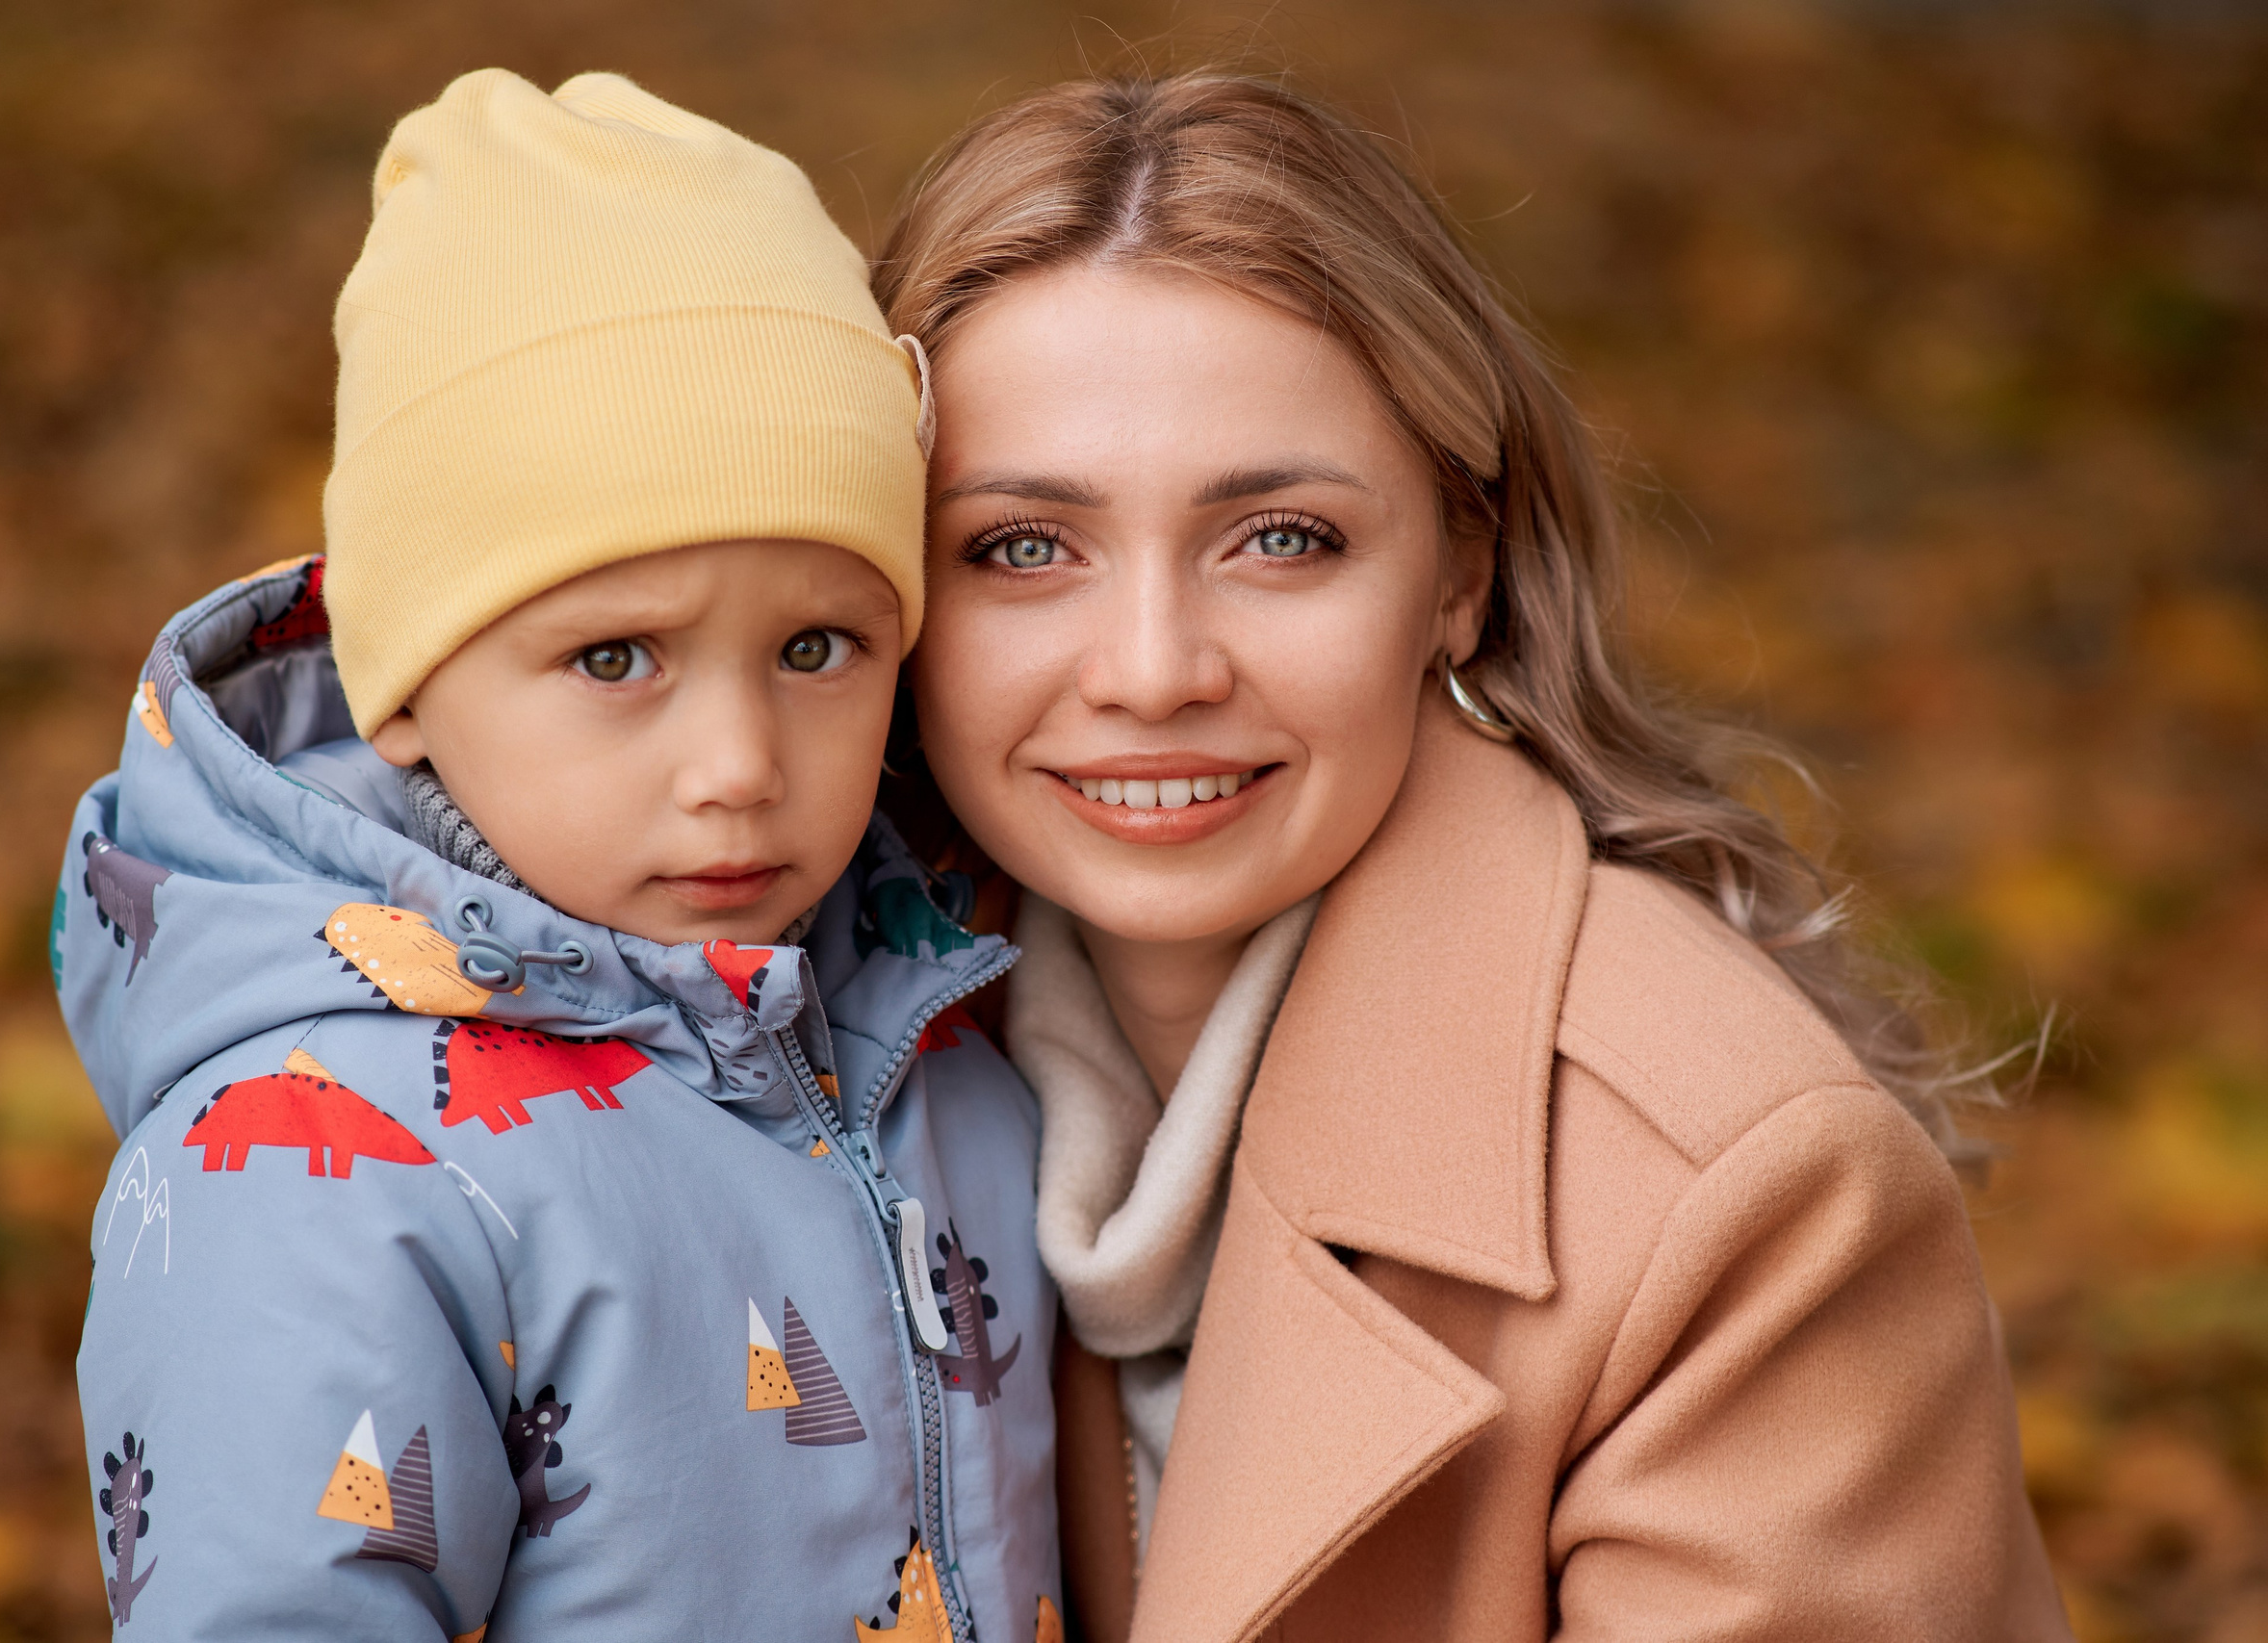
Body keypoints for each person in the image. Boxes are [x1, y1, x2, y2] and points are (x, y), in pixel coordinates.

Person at [871, 72, 2071, 1639]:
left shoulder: (1744, 1188)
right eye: (1023, 548)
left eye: (1280, 538)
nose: (1151, 670)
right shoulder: (784, 1047)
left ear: (1460, 571)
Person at [57, 70, 1059, 1643]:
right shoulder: (316, 1172)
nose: (739, 770)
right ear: (402, 687)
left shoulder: (942, 1046)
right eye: (615, 661)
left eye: (817, 645)